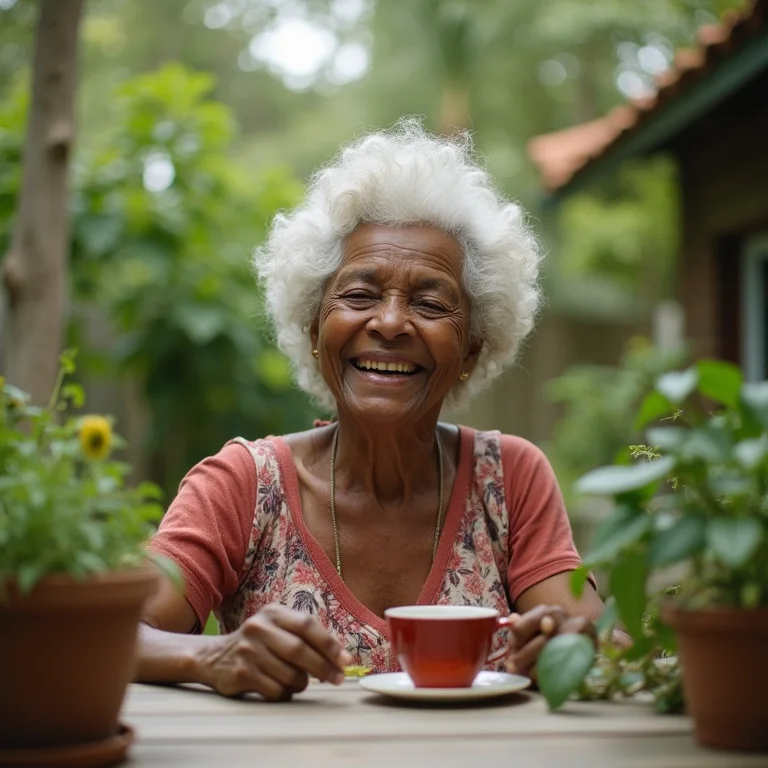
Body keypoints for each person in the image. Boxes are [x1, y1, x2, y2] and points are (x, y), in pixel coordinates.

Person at [138, 120, 624, 701]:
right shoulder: (242, 486)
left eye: (429, 302)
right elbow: (108, 634)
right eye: (360, 295)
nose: (390, 323)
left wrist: (566, 644)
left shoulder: (509, 479)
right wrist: (213, 654)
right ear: (315, 329)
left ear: (472, 345)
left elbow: (600, 647)